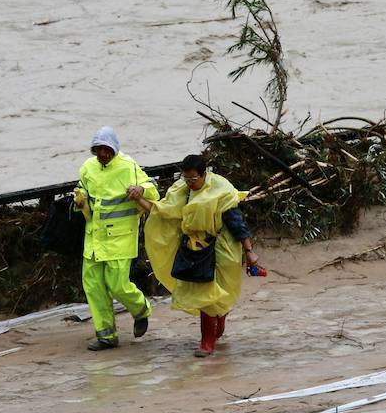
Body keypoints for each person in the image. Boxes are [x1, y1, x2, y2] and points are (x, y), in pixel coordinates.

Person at [132, 154, 260, 357]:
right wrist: (139, 199)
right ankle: (206, 342)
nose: (190, 183)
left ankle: (220, 319)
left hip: (221, 247)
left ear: (204, 174)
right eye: (186, 179)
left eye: (194, 179)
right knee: (204, 295)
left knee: (220, 294)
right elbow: (162, 212)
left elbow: (236, 222)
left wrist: (249, 251)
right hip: (194, 248)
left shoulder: (221, 191)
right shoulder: (180, 192)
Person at [74, 126, 159, 351]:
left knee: (118, 285)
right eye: (98, 149)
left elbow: (154, 190)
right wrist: (79, 199)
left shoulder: (128, 166)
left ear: (114, 148)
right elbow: (82, 190)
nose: (102, 153)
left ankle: (141, 310)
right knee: (93, 287)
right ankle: (107, 336)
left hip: (120, 238)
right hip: (94, 239)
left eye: (106, 149)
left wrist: (140, 189)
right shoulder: (87, 168)